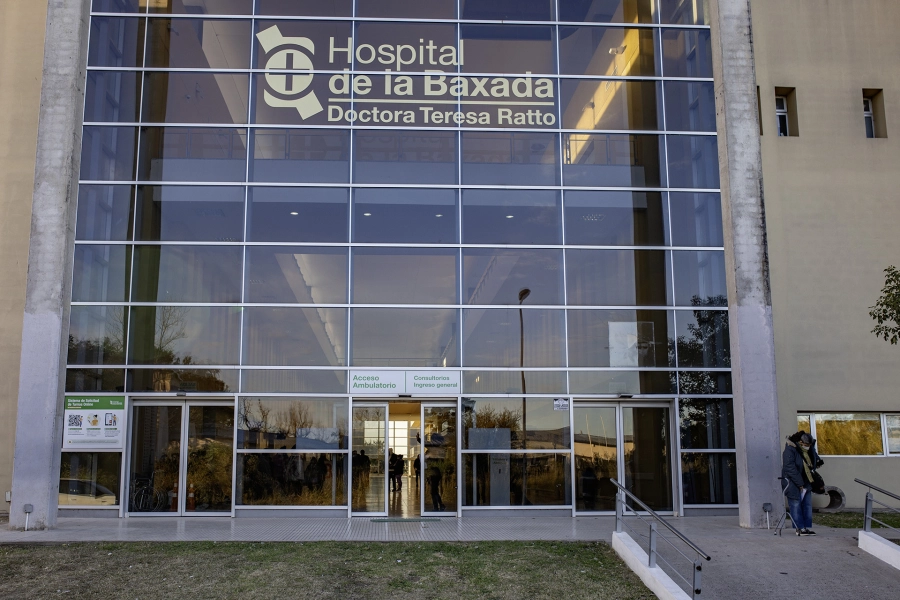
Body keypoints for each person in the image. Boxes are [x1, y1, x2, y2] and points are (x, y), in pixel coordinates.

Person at [782, 431, 824, 536]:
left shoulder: (810, 449)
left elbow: (813, 457)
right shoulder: (790, 450)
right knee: (796, 505)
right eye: (806, 445)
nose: (807, 447)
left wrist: (817, 462)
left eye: (809, 445)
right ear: (800, 442)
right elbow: (789, 468)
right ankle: (799, 528)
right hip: (793, 482)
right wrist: (799, 483)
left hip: (807, 481)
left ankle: (806, 527)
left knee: (807, 505)